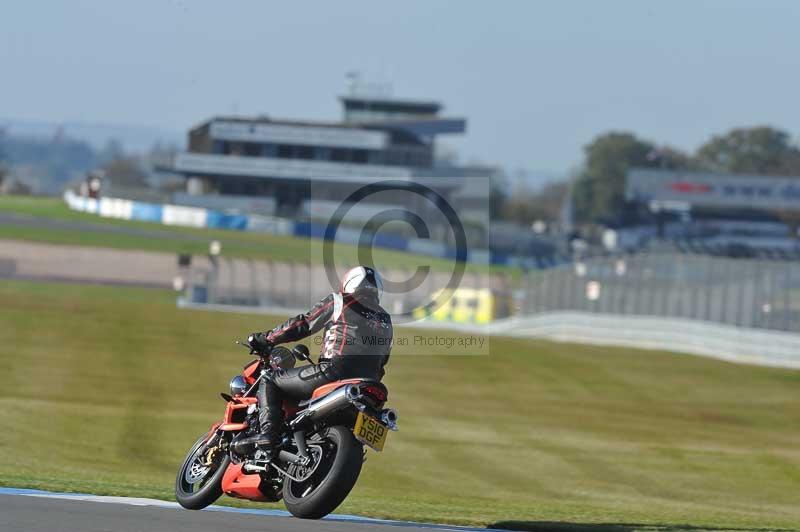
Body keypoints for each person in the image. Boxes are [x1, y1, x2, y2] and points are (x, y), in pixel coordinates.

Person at [233, 266, 393, 455]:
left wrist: (266, 338)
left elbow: (302, 324)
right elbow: (383, 361)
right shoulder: (386, 320)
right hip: (372, 386)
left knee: (270, 378)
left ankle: (269, 433)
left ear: (349, 283)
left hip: (335, 372)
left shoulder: (340, 301)